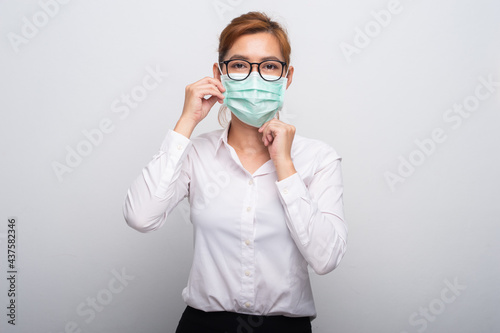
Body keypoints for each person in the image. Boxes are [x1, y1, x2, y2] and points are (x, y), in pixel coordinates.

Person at [123, 11, 347, 333]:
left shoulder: (318, 158)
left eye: (269, 66)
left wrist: (284, 165)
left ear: (288, 76)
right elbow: (141, 217)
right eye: (240, 65)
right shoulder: (197, 153)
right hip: (204, 326)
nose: (255, 78)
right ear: (220, 73)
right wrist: (186, 122)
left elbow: (326, 258)